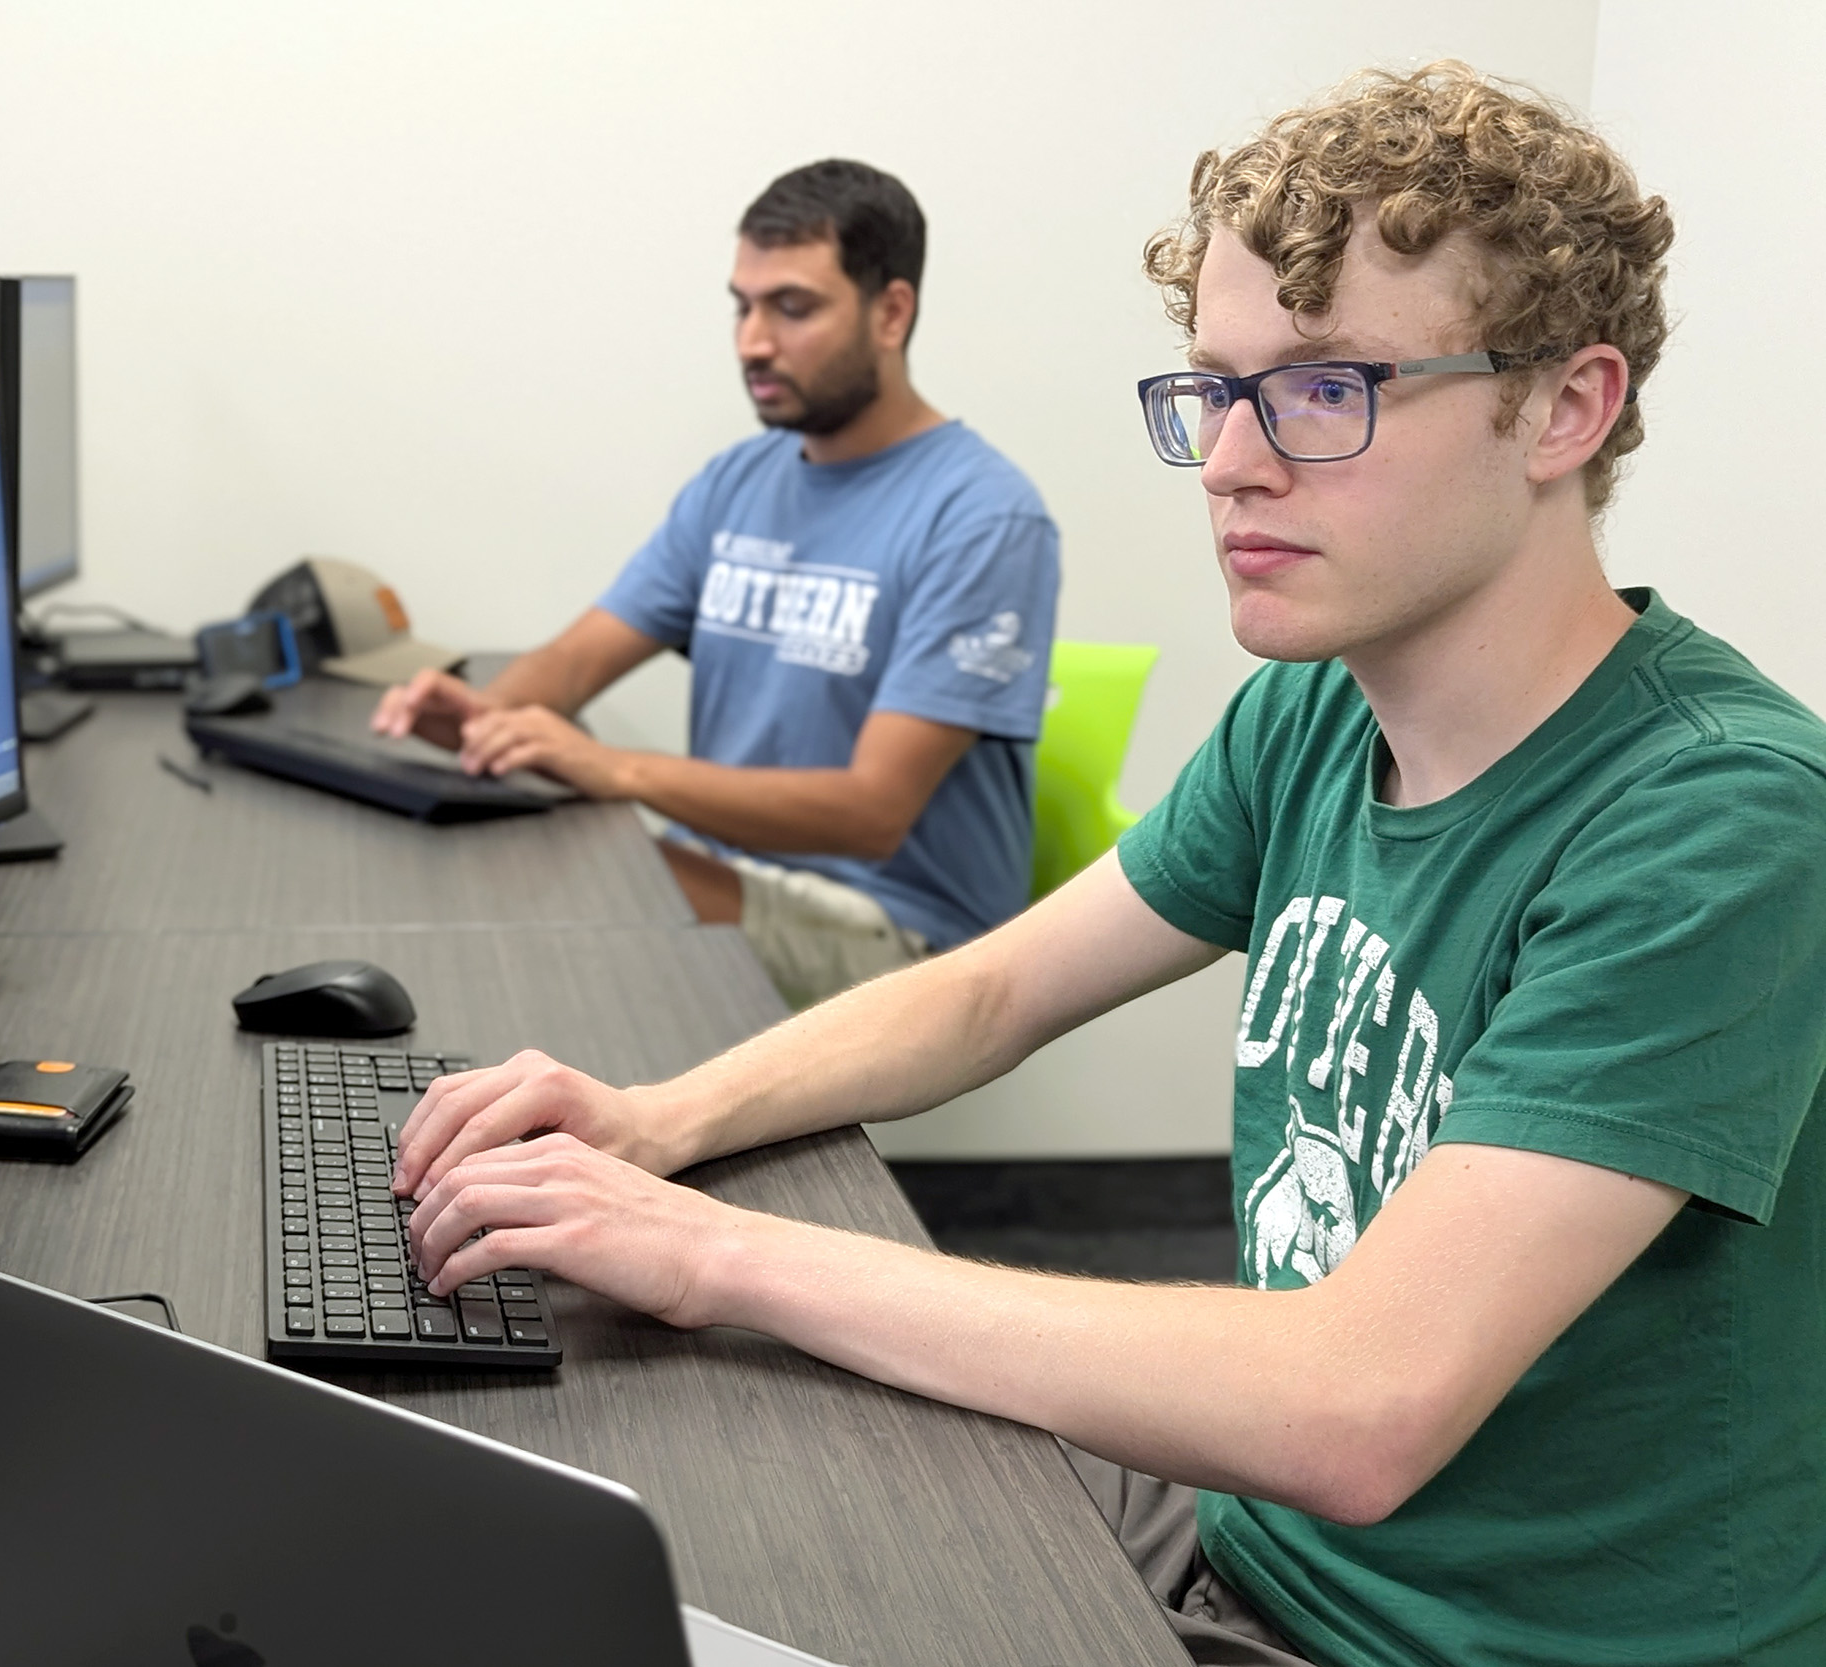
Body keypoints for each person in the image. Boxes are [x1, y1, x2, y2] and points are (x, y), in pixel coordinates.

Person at [389, 64, 1826, 1666]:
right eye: (1214, 390)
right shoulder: (1311, 709)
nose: (1229, 464)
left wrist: (715, 1245)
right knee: (659, 1513)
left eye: (1325, 388)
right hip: (1251, 1534)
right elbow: (998, 984)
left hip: (1450, 1638)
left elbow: (1362, 1401)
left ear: (1566, 406)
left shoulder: (1722, 818)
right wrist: (656, 1118)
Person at [372, 159, 1059, 1007]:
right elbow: (576, 663)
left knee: (578, 889)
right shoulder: (738, 482)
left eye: (792, 307)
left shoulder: (985, 516)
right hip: (737, 872)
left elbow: (872, 811)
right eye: (743, 305)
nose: (752, 342)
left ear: (891, 312)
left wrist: (608, 767)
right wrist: (484, 722)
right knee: (522, 853)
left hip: (901, 932)